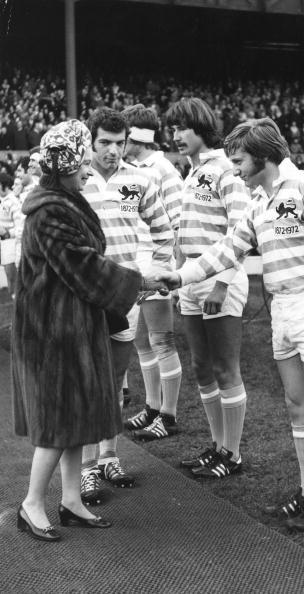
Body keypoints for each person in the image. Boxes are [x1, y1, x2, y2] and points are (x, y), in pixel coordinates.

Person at [148, 117, 304, 525]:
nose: (235, 168)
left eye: (239, 160)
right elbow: (228, 248)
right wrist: (182, 276)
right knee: (297, 406)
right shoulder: (260, 200)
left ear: (262, 156)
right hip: (282, 308)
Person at [12, 119, 143, 542]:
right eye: (84, 161)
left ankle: (70, 500)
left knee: (77, 418)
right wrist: (137, 280)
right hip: (51, 332)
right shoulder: (50, 209)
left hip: (71, 327)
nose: (89, 169)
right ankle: (32, 504)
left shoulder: (63, 201)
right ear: (66, 166)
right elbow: (82, 265)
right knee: (56, 421)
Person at [80, 107, 174, 504]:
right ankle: (84, 469)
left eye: (119, 143)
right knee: (88, 382)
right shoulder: (77, 179)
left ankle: (109, 456)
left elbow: (164, 231)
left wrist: (149, 276)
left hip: (124, 293)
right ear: (91, 141)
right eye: (105, 143)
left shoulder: (141, 179)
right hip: (84, 294)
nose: (113, 151)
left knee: (116, 380)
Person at [164, 97, 251, 478]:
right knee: (201, 366)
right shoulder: (191, 171)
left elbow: (242, 231)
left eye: (182, 128)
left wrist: (222, 283)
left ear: (200, 126)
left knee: (225, 368)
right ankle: (218, 446)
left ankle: (232, 453)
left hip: (218, 279)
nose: (176, 136)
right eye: (172, 129)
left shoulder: (226, 171)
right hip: (191, 278)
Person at [121, 104, 183, 440]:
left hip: (156, 265)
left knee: (162, 339)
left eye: (125, 137)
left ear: (138, 137)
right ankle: (152, 407)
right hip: (137, 263)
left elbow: (176, 223)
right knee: (143, 341)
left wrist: (165, 270)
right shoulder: (130, 169)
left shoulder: (163, 170)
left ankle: (168, 416)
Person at [0, 172, 21, 296]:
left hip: (12, 245)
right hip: (4, 244)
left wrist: (7, 233)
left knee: (13, 279)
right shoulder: (3, 200)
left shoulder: (13, 201)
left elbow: (20, 227)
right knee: (10, 280)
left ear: (4, 185)